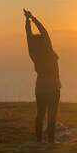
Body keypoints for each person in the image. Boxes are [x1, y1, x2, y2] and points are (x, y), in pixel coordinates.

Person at [24, 9, 61, 143]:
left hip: (40, 86)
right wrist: (33, 19)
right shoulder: (49, 51)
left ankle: (39, 140)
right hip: (52, 86)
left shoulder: (34, 54)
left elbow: (28, 36)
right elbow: (44, 31)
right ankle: (51, 140)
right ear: (45, 43)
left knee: (40, 114)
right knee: (52, 115)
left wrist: (27, 22)